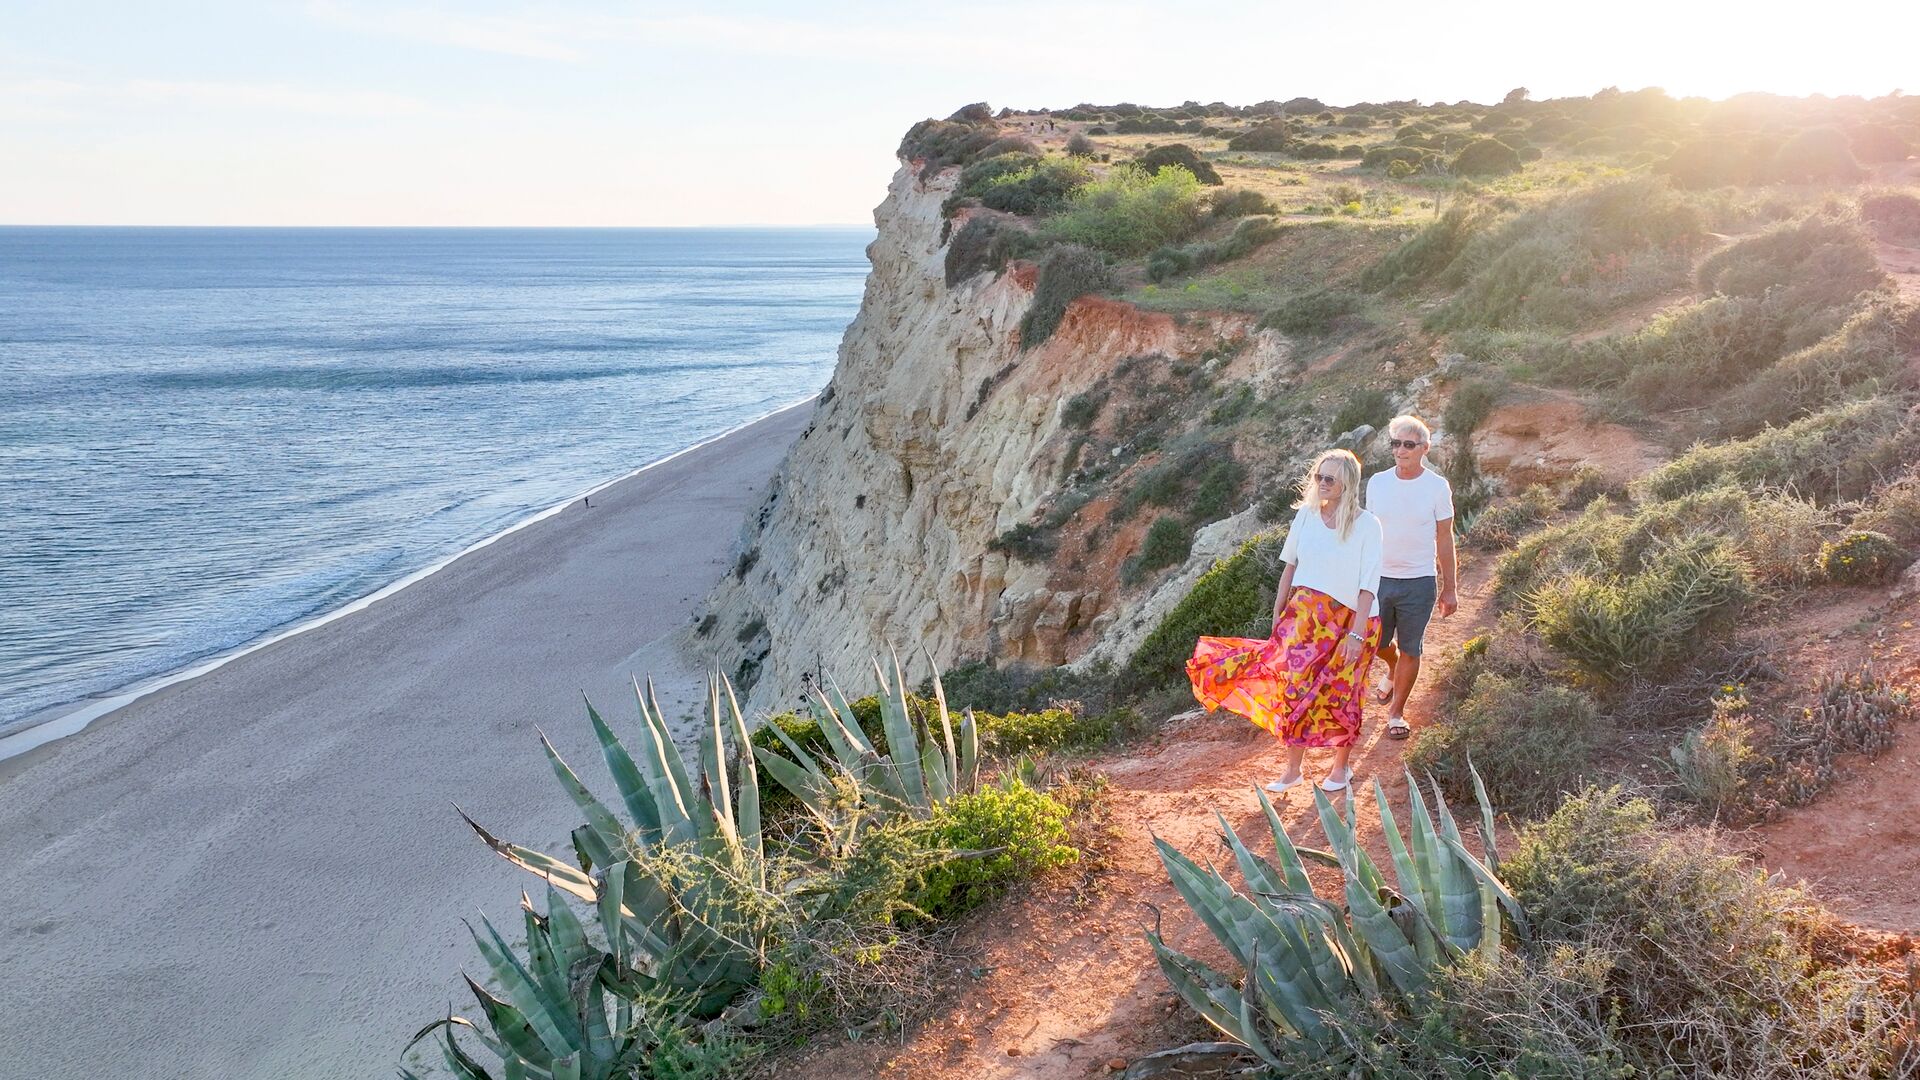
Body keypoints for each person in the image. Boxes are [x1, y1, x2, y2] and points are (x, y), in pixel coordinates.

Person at [1187, 449, 1382, 793]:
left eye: (1329, 479)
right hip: (1305, 617)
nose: (1321, 483)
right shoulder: (1306, 516)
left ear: (1347, 483)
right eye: (1318, 477)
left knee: (1343, 692)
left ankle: (1341, 768)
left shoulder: (1367, 524)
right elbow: (1289, 567)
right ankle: (1293, 770)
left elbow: (1369, 583)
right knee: (1294, 687)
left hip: (1354, 619)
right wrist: (1279, 612)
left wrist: (1357, 634)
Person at [1364, 415, 1457, 740]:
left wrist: (1450, 589)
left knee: (1411, 648)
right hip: (1378, 580)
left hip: (1418, 581)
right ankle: (1390, 669)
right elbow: (1367, 533)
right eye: (1395, 444)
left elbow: (1445, 538)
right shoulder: (1377, 482)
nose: (1400, 450)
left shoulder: (1436, 487)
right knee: (1373, 642)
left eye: (1408, 444)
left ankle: (1396, 713)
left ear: (1424, 448)